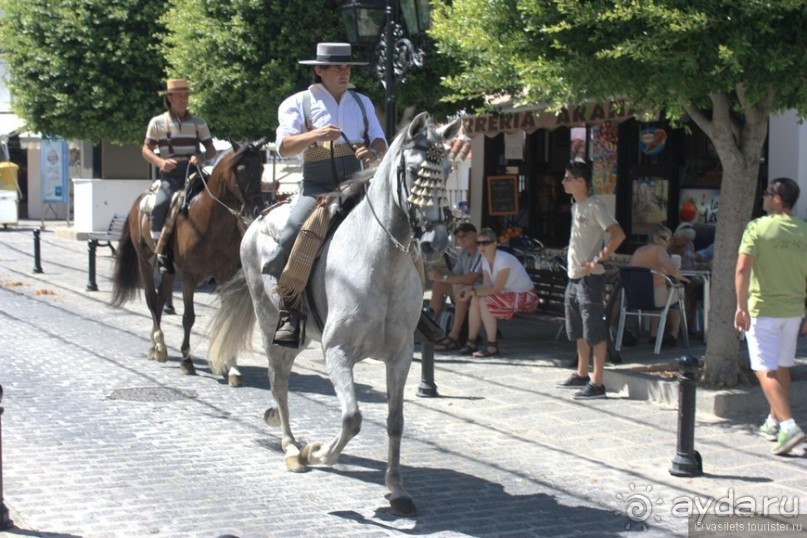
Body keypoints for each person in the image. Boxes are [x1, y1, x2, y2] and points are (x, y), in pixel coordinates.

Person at [263, 43, 387, 344]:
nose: (344, 73)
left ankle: (409, 307)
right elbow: (285, 147)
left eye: (347, 68)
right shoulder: (297, 103)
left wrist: (370, 152)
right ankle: (289, 309)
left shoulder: (362, 102)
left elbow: (381, 143)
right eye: (337, 68)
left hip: (359, 182)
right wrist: (316, 135)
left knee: (397, 226)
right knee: (293, 232)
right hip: (318, 187)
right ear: (319, 70)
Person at [734, 177, 807, 456]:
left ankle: (788, 425)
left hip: (763, 310)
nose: (762, 198)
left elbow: (742, 269)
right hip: (793, 310)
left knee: (764, 369)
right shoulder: (804, 231)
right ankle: (773, 421)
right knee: (782, 367)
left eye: (766, 194)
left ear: (777, 199)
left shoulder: (757, 227)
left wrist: (740, 306)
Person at [555, 161, 625, 399]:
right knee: (578, 329)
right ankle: (582, 373)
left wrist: (600, 258)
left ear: (580, 181)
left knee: (594, 329)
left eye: (567, 178)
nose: (563, 182)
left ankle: (598, 383)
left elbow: (617, 234)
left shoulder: (596, 206)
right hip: (573, 277)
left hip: (590, 278)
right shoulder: (576, 207)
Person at [142, 78, 216, 274]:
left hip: (194, 173)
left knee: (215, 200)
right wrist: (160, 163)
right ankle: (161, 251)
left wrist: (201, 157)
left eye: (186, 95)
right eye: (179, 96)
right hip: (171, 174)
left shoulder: (198, 122)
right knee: (161, 203)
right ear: (170, 98)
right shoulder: (157, 122)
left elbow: (211, 150)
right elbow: (146, 149)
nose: (184, 99)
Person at [455, 227, 538, 357]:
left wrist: (473, 291)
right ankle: (471, 341)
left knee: (483, 300)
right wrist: (470, 290)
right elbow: (486, 285)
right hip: (508, 295)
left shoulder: (503, 259)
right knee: (477, 299)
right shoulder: (485, 259)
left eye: (485, 243)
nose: (481, 246)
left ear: (495, 243)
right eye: (479, 243)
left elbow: (496, 289)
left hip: (526, 298)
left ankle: (492, 345)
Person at [628, 224, 689, 347]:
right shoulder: (659, 250)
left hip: (635, 298)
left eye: (670, 239)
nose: (668, 242)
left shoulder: (638, 251)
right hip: (655, 298)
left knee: (660, 292)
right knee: (679, 294)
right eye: (665, 238)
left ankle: (654, 333)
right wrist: (679, 276)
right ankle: (674, 334)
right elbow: (673, 270)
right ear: (656, 238)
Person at [428, 222, 483, 351]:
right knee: (439, 285)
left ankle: (453, 337)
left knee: (460, 288)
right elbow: (456, 275)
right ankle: (430, 328)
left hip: (483, 291)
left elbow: (470, 279)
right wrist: (439, 274)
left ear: (475, 235)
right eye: (458, 236)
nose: (461, 239)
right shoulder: (464, 254)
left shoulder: (481, 251)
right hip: (470, 291)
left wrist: (443, 277)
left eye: (464, 235)